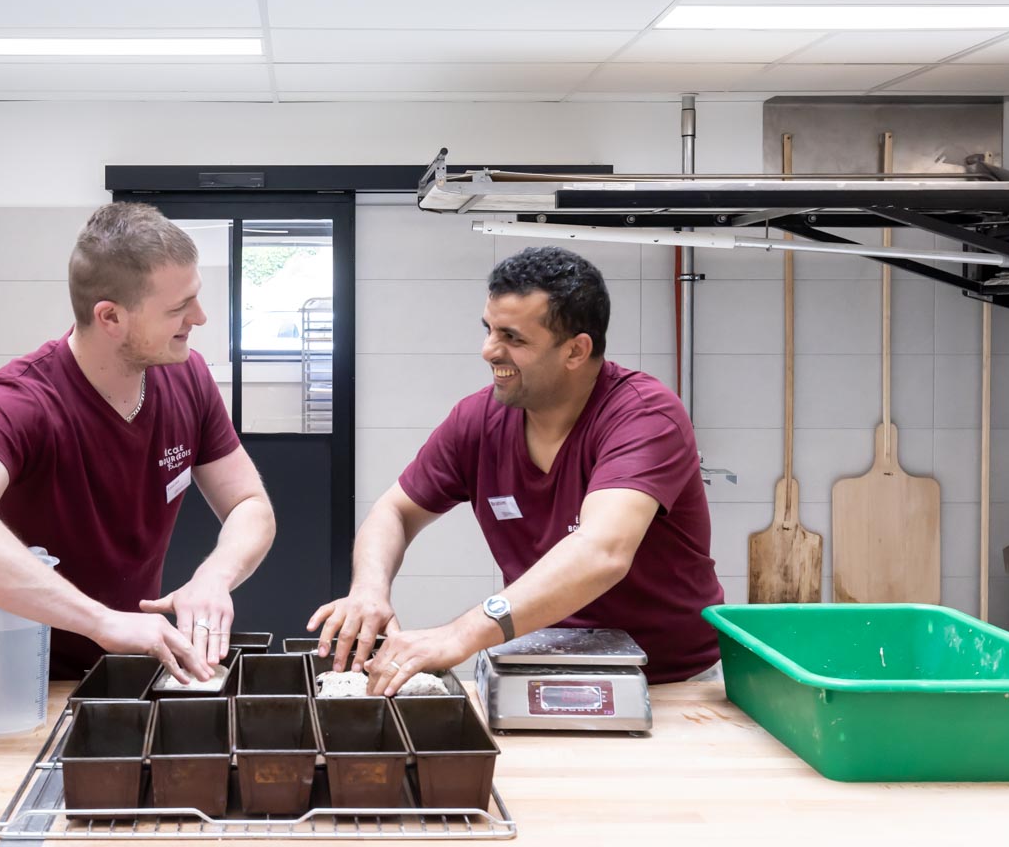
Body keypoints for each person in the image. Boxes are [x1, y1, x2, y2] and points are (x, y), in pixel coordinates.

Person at [310, 245, 723, 694]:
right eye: (488, 330)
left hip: (671, 682)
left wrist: (460, 634)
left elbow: (601, 551)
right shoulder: (477, 421)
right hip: (543, 662)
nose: (489, 351)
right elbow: (395, 510)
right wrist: (369, 589)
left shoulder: (643, 415)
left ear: (575, 350)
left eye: (514, 338)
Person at [0, 202, 276, 682]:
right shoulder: (22, 401)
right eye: (179, 308)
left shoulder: (189, 377)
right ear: (110, 317)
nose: (200, 318)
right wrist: (101, 621)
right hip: (20, 688)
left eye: (195, 298)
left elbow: (250, 503)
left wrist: (213, 577)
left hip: (122, 675)